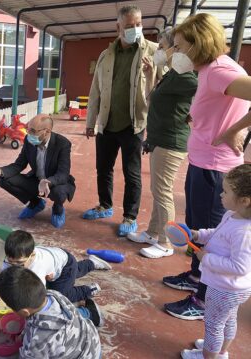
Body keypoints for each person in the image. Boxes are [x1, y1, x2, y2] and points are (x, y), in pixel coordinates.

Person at [162, 13, 251, 321]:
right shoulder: (209, 71)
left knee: (213, 238)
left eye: (180, 46)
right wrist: (208, 121)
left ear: (199, 44)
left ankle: (202, 301)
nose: (176, 53)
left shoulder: (219, 71)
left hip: (215, 169)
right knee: (198, 226)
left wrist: (234, 130)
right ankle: (197, 276)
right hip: (202, 162)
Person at [84, 5, 160, 236]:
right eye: (129, 26)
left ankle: (130, 215)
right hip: (107, 122)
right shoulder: (106, 55)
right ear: (118, 27)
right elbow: (95, 90)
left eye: (138, 24)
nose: (135, 29)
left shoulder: (154, 51)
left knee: (132, 173)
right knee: (103, 169)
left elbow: (163, 88)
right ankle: (105, 206)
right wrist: (91, 121)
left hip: (134, 124)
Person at [127, 28, 198, 258]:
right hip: (160, 139)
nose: (159, 50)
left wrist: (195, 113)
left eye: (163, 46)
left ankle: (166, 242)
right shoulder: (171, 74)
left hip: (171, 140)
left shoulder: (185, 76)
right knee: (157, 190)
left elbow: (205, 90)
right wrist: (150, 75)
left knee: (163, 192)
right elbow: (151, 98)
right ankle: (152, 232)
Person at [180, 164, 251, 359]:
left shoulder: (245, 233)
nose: (221, 194)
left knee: (213, 325)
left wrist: (207, 259)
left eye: (226, 191)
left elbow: (240, 267)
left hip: (224, 289)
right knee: (227, 321)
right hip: (231, 289)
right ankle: (220, 352)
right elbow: (217, 234)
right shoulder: (232, 215)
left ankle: (207, 357)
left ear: (244, 201)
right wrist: (199, 234)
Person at [0, 266, 102, 359]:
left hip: (84, 357)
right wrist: (23, 335)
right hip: (92, 342)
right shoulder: (53, 294)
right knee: (71, 311)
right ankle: (87, 312)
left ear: (25, 312)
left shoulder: (37, 342)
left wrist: (24, 346)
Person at [0, 114, 76, 228]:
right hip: (36, 180)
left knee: (59, 193)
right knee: (4, 179)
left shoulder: (62, 144)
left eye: (33, 131)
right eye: (28, 129)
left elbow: (63, 174)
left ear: (47, 131)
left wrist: (48, 181)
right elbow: (19, 164)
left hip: (54, 183)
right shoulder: (29, 140)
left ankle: (58, 208)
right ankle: (36, 203)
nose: (29, 134)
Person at [3, 230, 111, 302]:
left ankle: (88, 290)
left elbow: (39, 293)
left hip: (65, 265)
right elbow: (3, 274)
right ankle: (91, 262)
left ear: (32, 255)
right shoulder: (15, 257)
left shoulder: (37, 267)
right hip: (59, 257)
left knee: (60, 295)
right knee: (75, 271)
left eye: (20, 263)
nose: (14, 266)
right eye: (10, 261)